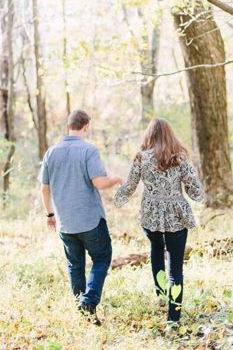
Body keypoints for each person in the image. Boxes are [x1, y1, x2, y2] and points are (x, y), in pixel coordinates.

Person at [114, 118, 204, 323]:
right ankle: (174, 318)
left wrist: (118, 198)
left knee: (156, 248)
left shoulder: (140, 158)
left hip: (150, 215)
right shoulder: (179, 158)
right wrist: (197, 194)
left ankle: (161, 295)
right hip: (176, 216)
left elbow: (130, 186)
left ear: (149, 135)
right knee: (176, 269)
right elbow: (193, 187)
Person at [39, 109, 125, 325]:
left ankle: (84, 312)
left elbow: (44, 189)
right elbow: (100, 183)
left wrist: (50, 214)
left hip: (66, 223)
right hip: (90, 221)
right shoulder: (89, 150)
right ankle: (88, 300)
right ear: (86, 127)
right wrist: (115, 178)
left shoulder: (51, 152)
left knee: (75, 266)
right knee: (102, 258)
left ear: (68, 126)